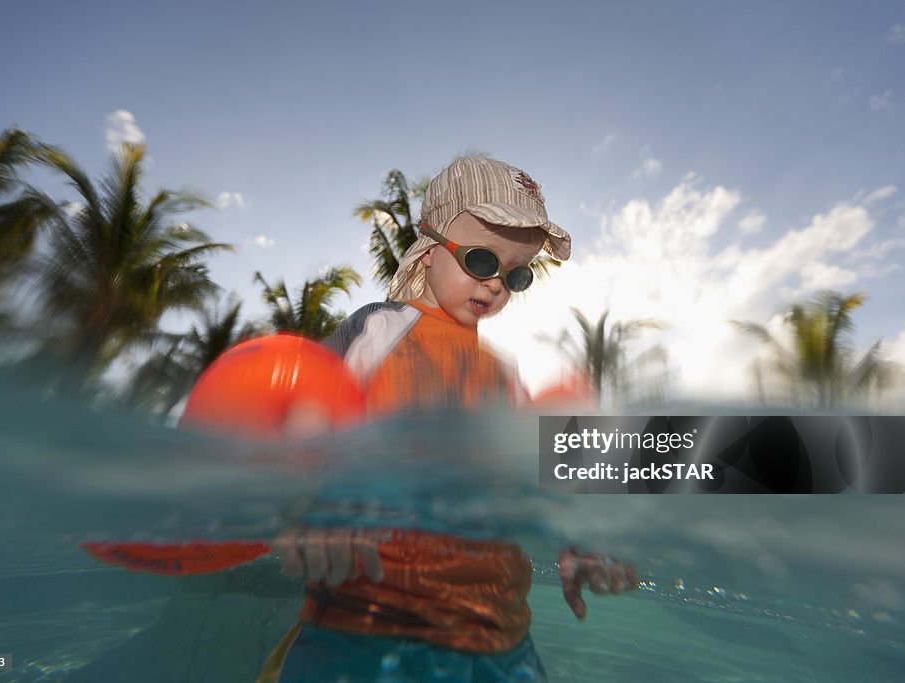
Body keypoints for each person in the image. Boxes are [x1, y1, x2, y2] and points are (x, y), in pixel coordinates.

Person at [260, 157, 638, 682]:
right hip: (367, 629)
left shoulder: (504, 377)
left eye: (517, 273)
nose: (497, 285)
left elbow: (528, 481)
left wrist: (582, 539)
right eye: (482, 260)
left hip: (500, 638)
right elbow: (309, 406)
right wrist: (310, 502)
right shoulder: (378, 328)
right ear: (430, 241)